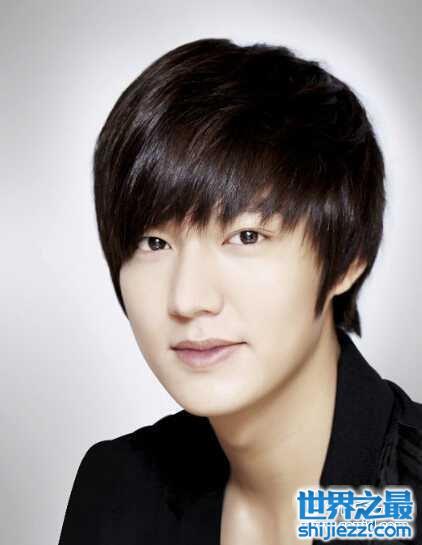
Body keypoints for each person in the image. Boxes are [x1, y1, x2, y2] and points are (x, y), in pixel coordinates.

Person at [58, 38, 422, 545]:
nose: (187, 300)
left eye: (246, 236)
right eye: (154, 242)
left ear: (347, 260)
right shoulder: (116, 489)